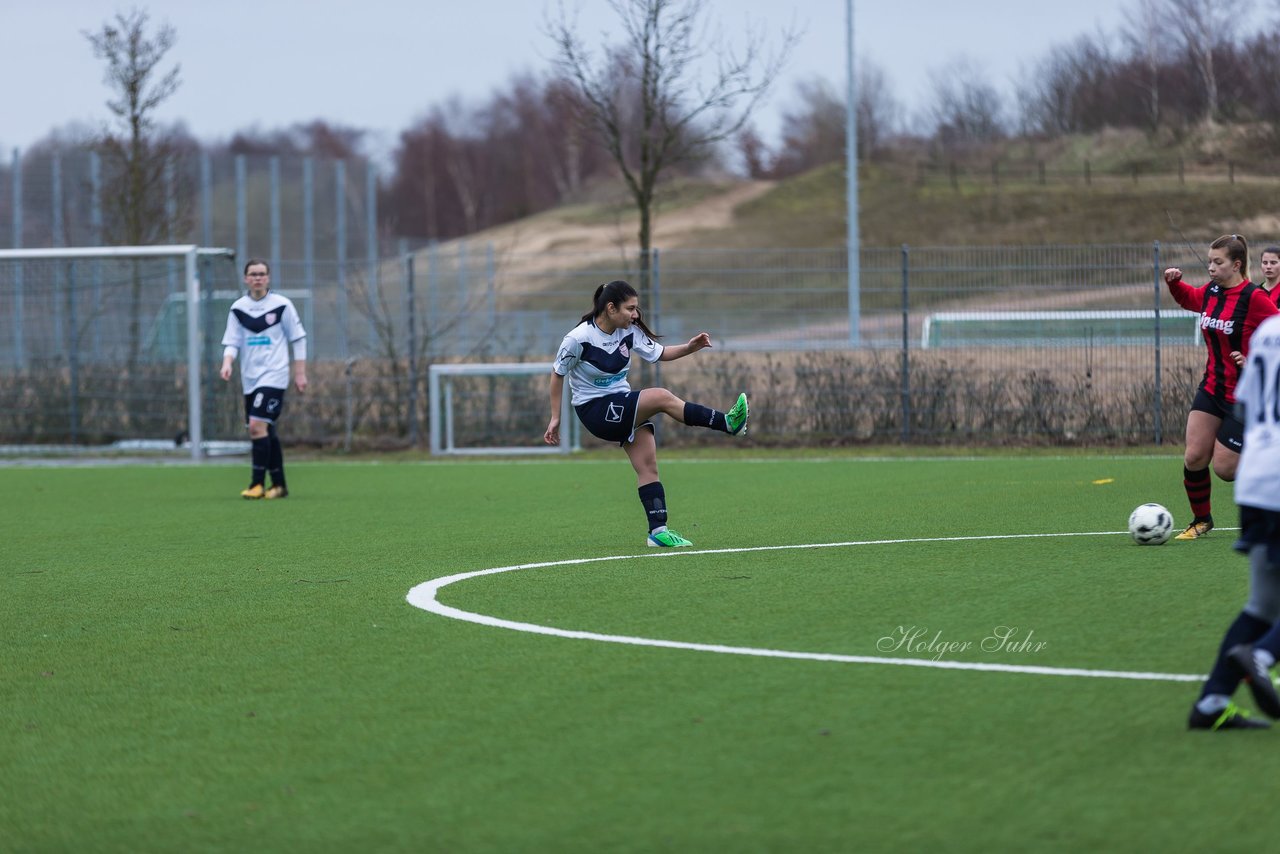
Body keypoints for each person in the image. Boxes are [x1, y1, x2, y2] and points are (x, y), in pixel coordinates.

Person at [543, 280, 748, 548]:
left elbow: (659, 353)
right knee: (661, 396)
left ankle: (658, 532)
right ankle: (728, 423)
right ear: (611, 308)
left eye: (636, 308)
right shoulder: (578, 339)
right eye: (630, 309)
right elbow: (557, 374)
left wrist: (690, 347)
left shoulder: (627, 331)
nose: (636, 315)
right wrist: (555, 417)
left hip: (621, 403)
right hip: (595, 411)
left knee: (648, 467)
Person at [1187, 312, 1280, 730]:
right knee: (1263, 616)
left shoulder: (1269, 331)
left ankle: (1210, 705)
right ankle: (1260, 657)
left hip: (1258, 477)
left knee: (1262, 605)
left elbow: (1246, 405)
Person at [1164, 234, 1278, 540]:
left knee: (1226, 469)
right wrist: (1174, 283)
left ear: (1236, 265)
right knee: (1194, 457)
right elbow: (1191, 299)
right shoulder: (1212, 291)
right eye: (1210, 261)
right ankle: (1201, 520)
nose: (1211, 267)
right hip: (1212, 388)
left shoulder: (1255, 298)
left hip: (1245, 396)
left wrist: (1253, 358)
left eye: (1218, 262)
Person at [219, 259, 308, 499]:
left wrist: (299, 373)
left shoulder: (282, 305)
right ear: (245, 278)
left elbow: (298, 339)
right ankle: (279, 485)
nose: (257, 278)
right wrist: (227, 362)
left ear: (268, 278)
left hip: (275, 375)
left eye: (261, 274)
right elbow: (232, 341)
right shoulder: (238, 308)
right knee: (266, 430)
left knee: (257, 427)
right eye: (253, 274)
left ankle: (256, 484)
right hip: (250, 378)